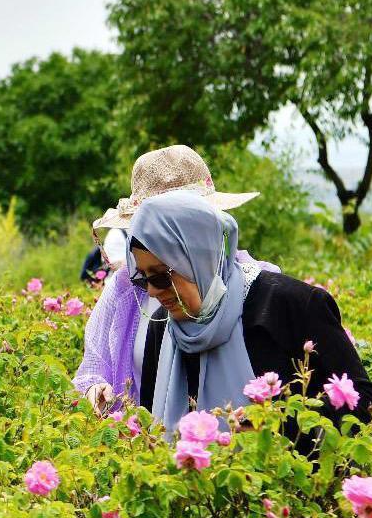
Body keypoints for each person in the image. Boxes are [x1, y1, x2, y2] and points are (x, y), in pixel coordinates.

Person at [125, 190, 372, 435]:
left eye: (160, 277)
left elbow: (362, 400)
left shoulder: (288, 305)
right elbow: (150, 429)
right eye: (142, 278)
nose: (151, 292)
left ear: (197, 259)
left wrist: (280, 430)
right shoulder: (163, 327)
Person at [75, 146, 270, 415]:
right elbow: (93, 367)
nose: (154, 290)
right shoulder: (126, 289)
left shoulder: (255, 285)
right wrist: (96, 390)